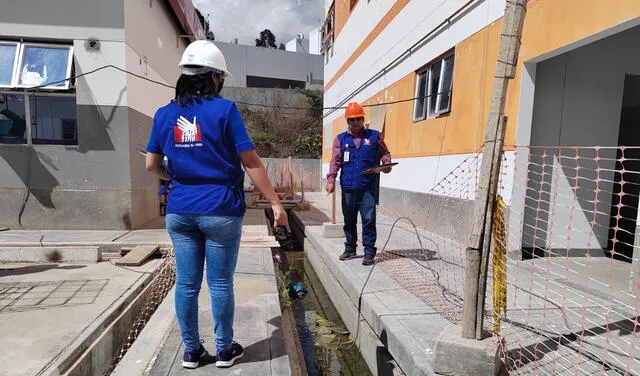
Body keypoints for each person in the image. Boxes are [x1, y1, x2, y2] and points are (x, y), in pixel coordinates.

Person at [145, 40, 290, 370]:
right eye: (221, 78)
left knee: (186, 284)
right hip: (220, 209)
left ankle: (192, 352)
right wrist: (275, 202)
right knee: (220, 284)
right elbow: (250, 161)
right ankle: (224, 351)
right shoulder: (224, 111)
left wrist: (175, 178)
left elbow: (151, 164)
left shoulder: (165, 114)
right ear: (214, 77)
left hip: (180, 211)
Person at [325, 102, 392, 266]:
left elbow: (385, 153)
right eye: (351, 120)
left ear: (363, 119)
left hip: (368, 187)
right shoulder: (340, 139)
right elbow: (335, 161)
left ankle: (369, 252)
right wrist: (331, 179)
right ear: (348, 121)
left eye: (358, 119)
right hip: (348, 187)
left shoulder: (374, 136)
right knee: (349, 219)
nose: (355, 122)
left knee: (368, 220)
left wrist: (386, 163)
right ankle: (350, 249)